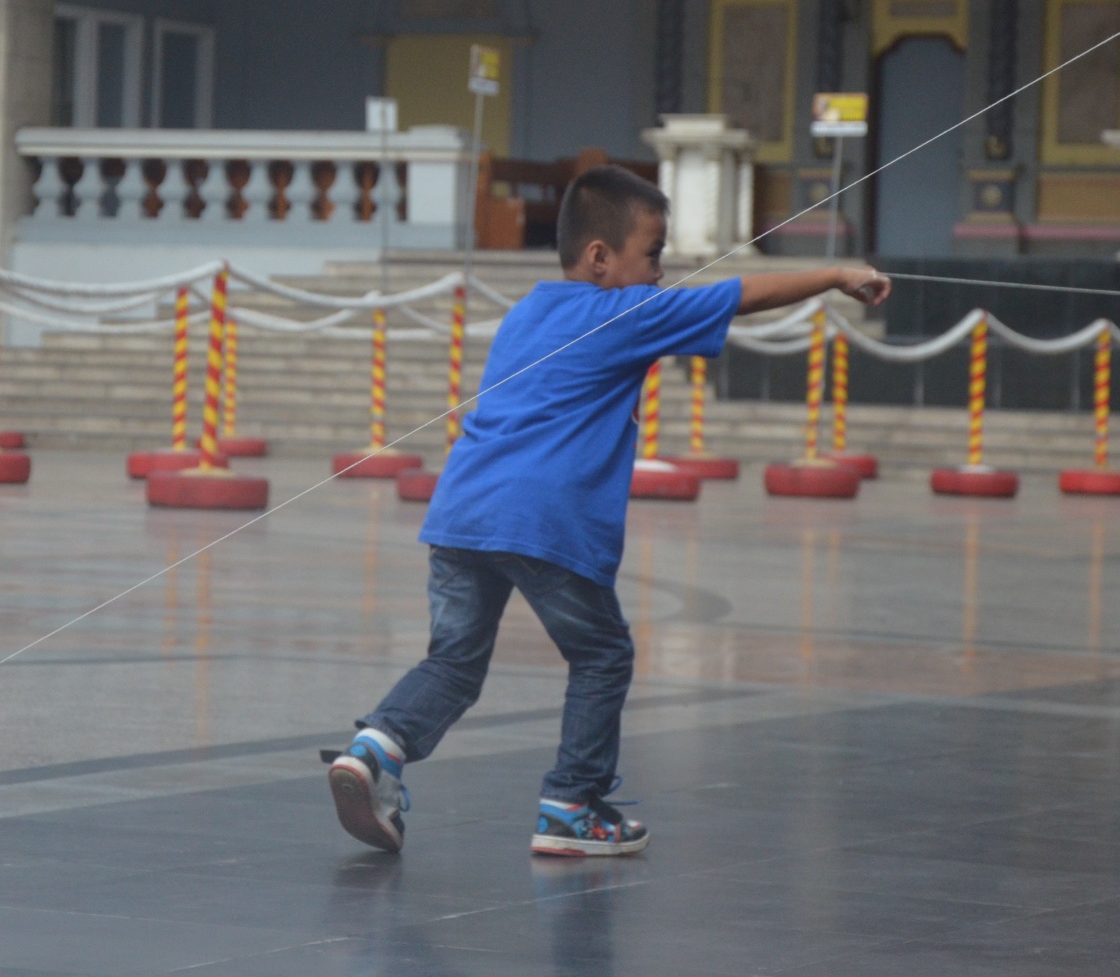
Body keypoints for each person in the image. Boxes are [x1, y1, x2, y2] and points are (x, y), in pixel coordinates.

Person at [326, 166, 888, 858]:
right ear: (600, 258)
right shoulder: (623, 312)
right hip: (545, 521)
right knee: (602, 656)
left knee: (454, 663)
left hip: (462, 510)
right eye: (652, 254)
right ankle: (571, 804)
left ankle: (376, 746)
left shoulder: (526, 311)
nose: (659, 273)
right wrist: (836, 275)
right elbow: (739, 294)